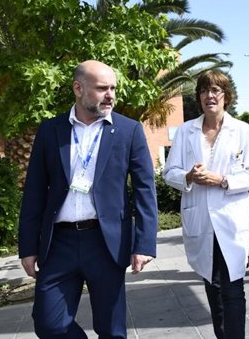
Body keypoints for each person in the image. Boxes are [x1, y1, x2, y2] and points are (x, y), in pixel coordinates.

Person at [18, 60, 158, 339]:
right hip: (59, 243)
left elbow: (145, 190)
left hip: (106, 243)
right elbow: (34, 189)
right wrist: (27, 245)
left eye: (113, 88)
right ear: (78, 88)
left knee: (111, 330)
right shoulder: (51, 130)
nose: (111, 95)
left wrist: (144, 243)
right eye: (102, 88)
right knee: (49, 324)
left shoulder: (129, 130)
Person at [163, 70, 249, 339]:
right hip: (200, 220)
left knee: (233, 288)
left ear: (226, 96)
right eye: (205, 90)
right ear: (198, 96)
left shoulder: (242, 130)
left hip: (231, 221)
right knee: (212, 285)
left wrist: (223, 180)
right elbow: (168, 172)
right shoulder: (186, 131)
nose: (210, 95)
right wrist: (188, 176)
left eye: (216, 90)